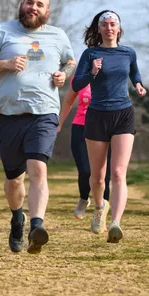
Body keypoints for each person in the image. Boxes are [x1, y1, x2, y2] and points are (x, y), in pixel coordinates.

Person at [0, 0, 76, 254]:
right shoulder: (0, 32)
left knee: (38, 168)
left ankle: (37, 226)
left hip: (44, 113)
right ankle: (18, 218)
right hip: (8, 116)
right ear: (22, 5)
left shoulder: (58, 35)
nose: (33, 7)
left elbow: (70, 62)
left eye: (39, 4)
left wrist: (63, 75)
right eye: (30, 2)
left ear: (47, 12)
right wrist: (4, 64)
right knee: (15, 179)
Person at [72, 10, 146, 243]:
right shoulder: (90, 54)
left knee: (118, 173)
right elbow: (76, 84)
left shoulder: (128, 52)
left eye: (113, 24)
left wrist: (138, 84)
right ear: (99, 29)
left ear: (119, 28)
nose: (109, 28)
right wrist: (92, 72)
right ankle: (98, 208)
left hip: (123, 114)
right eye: (105, 24)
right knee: (98, 177)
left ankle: (116, 222)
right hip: (97, 115)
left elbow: (134, 72)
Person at [57, 78, 111, 218]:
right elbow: (68, 101)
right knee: (85, 170)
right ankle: (84, 198)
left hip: (105, 127)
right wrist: (59, 123)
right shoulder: (80, 77)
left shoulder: (112, 74)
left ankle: (102, 208)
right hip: (81, 126)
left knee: (104, 172)